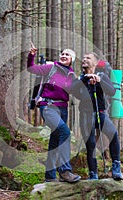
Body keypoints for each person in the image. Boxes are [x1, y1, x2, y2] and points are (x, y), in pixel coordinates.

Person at [27, 43, 81, 183]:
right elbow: (31, 68)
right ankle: (64, 171)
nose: (63, 56)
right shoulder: (51, 67)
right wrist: (31, 55)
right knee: (65, 133)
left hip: (63, 109)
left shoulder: (72, 75)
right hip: (48, 107)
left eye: (67, 55)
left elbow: (76, 92)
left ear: (71, 60)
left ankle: (50, 176)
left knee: (55, 141)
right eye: (62, 54)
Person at [71, 52, 123, 180]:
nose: (84, 59)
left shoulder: (102, 76)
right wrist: (84, 79)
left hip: (101, 113)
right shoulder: (79, 79)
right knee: (90, 144)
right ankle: (93, 173)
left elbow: (111, 91)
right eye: (83, 58)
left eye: (88, 58)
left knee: (113, 135)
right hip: (85, 115)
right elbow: (72, 90)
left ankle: (116, 167)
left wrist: (99, 82)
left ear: (95, 62)